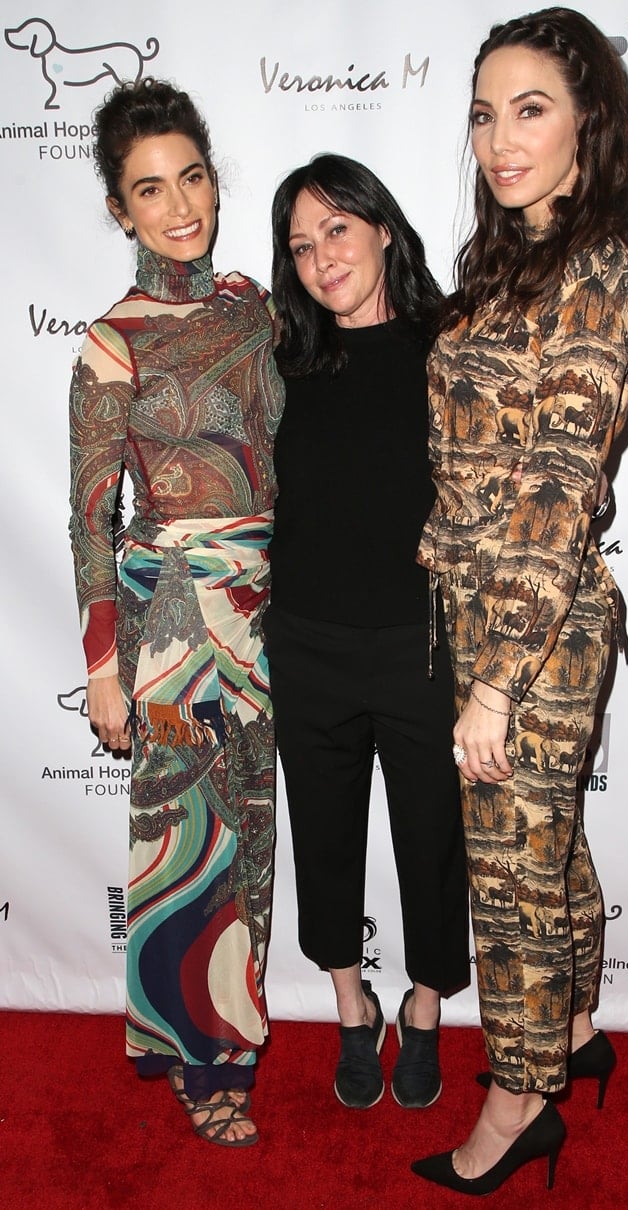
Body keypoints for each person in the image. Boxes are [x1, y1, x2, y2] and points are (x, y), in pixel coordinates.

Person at [411, 7, 628, 1195]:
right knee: (546, 855)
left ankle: (516, 1106)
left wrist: (498, 679)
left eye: (530, 109)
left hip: (534, 630)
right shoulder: (514, 254)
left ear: (587, 123)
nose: (498, 140)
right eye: (481, 112)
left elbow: (558, 486)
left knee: (508, 883)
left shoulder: (598, 268)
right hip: (489, 613)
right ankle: (569, 1032)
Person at [68, 78, 284, 1147]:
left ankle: (191, 1033)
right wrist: (104, 665)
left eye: (191, 176)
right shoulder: (112, 344)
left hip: (263, 612)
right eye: (149, 189)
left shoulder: (254, 313)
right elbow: (89, 517)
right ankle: (207, 1059)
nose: (179, 203)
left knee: (247, 840)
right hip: (168, 622)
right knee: (185, 841)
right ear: (121, 209)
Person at [265, 153, 469, 1110]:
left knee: (433, 839)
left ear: (384, 226)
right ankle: (352, 1006)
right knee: (326, 834)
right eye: (301, 245)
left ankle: (425, 1006)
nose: (320, 258)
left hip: (421, 648)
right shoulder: (285, 358)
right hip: (306, 645)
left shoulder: (454, 343)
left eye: (337, 229)